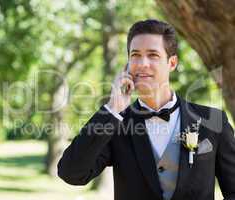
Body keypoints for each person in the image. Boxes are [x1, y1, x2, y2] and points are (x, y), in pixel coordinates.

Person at [57, 19, 235, 200]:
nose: (142, 63)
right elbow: (71, 173)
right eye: (135, 55)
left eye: (153, 55)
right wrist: (112, 109)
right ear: (127, 63)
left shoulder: (214, 120)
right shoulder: (115, 123)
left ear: (172, 63)